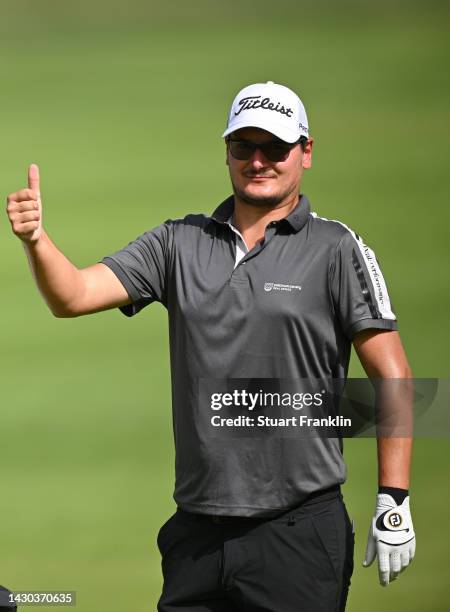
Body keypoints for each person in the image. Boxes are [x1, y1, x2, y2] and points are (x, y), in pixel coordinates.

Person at [6, 81, 415, 611]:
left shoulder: (336, 248)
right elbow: (73, 295)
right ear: (227, 152)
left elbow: (395, 377)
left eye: (275, 147)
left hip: (297, 533)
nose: (258, 161)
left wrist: (394, 500)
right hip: (197, 533)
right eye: (244, 147)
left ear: (305, 152)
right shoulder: (179, 242)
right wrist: (37, 242)